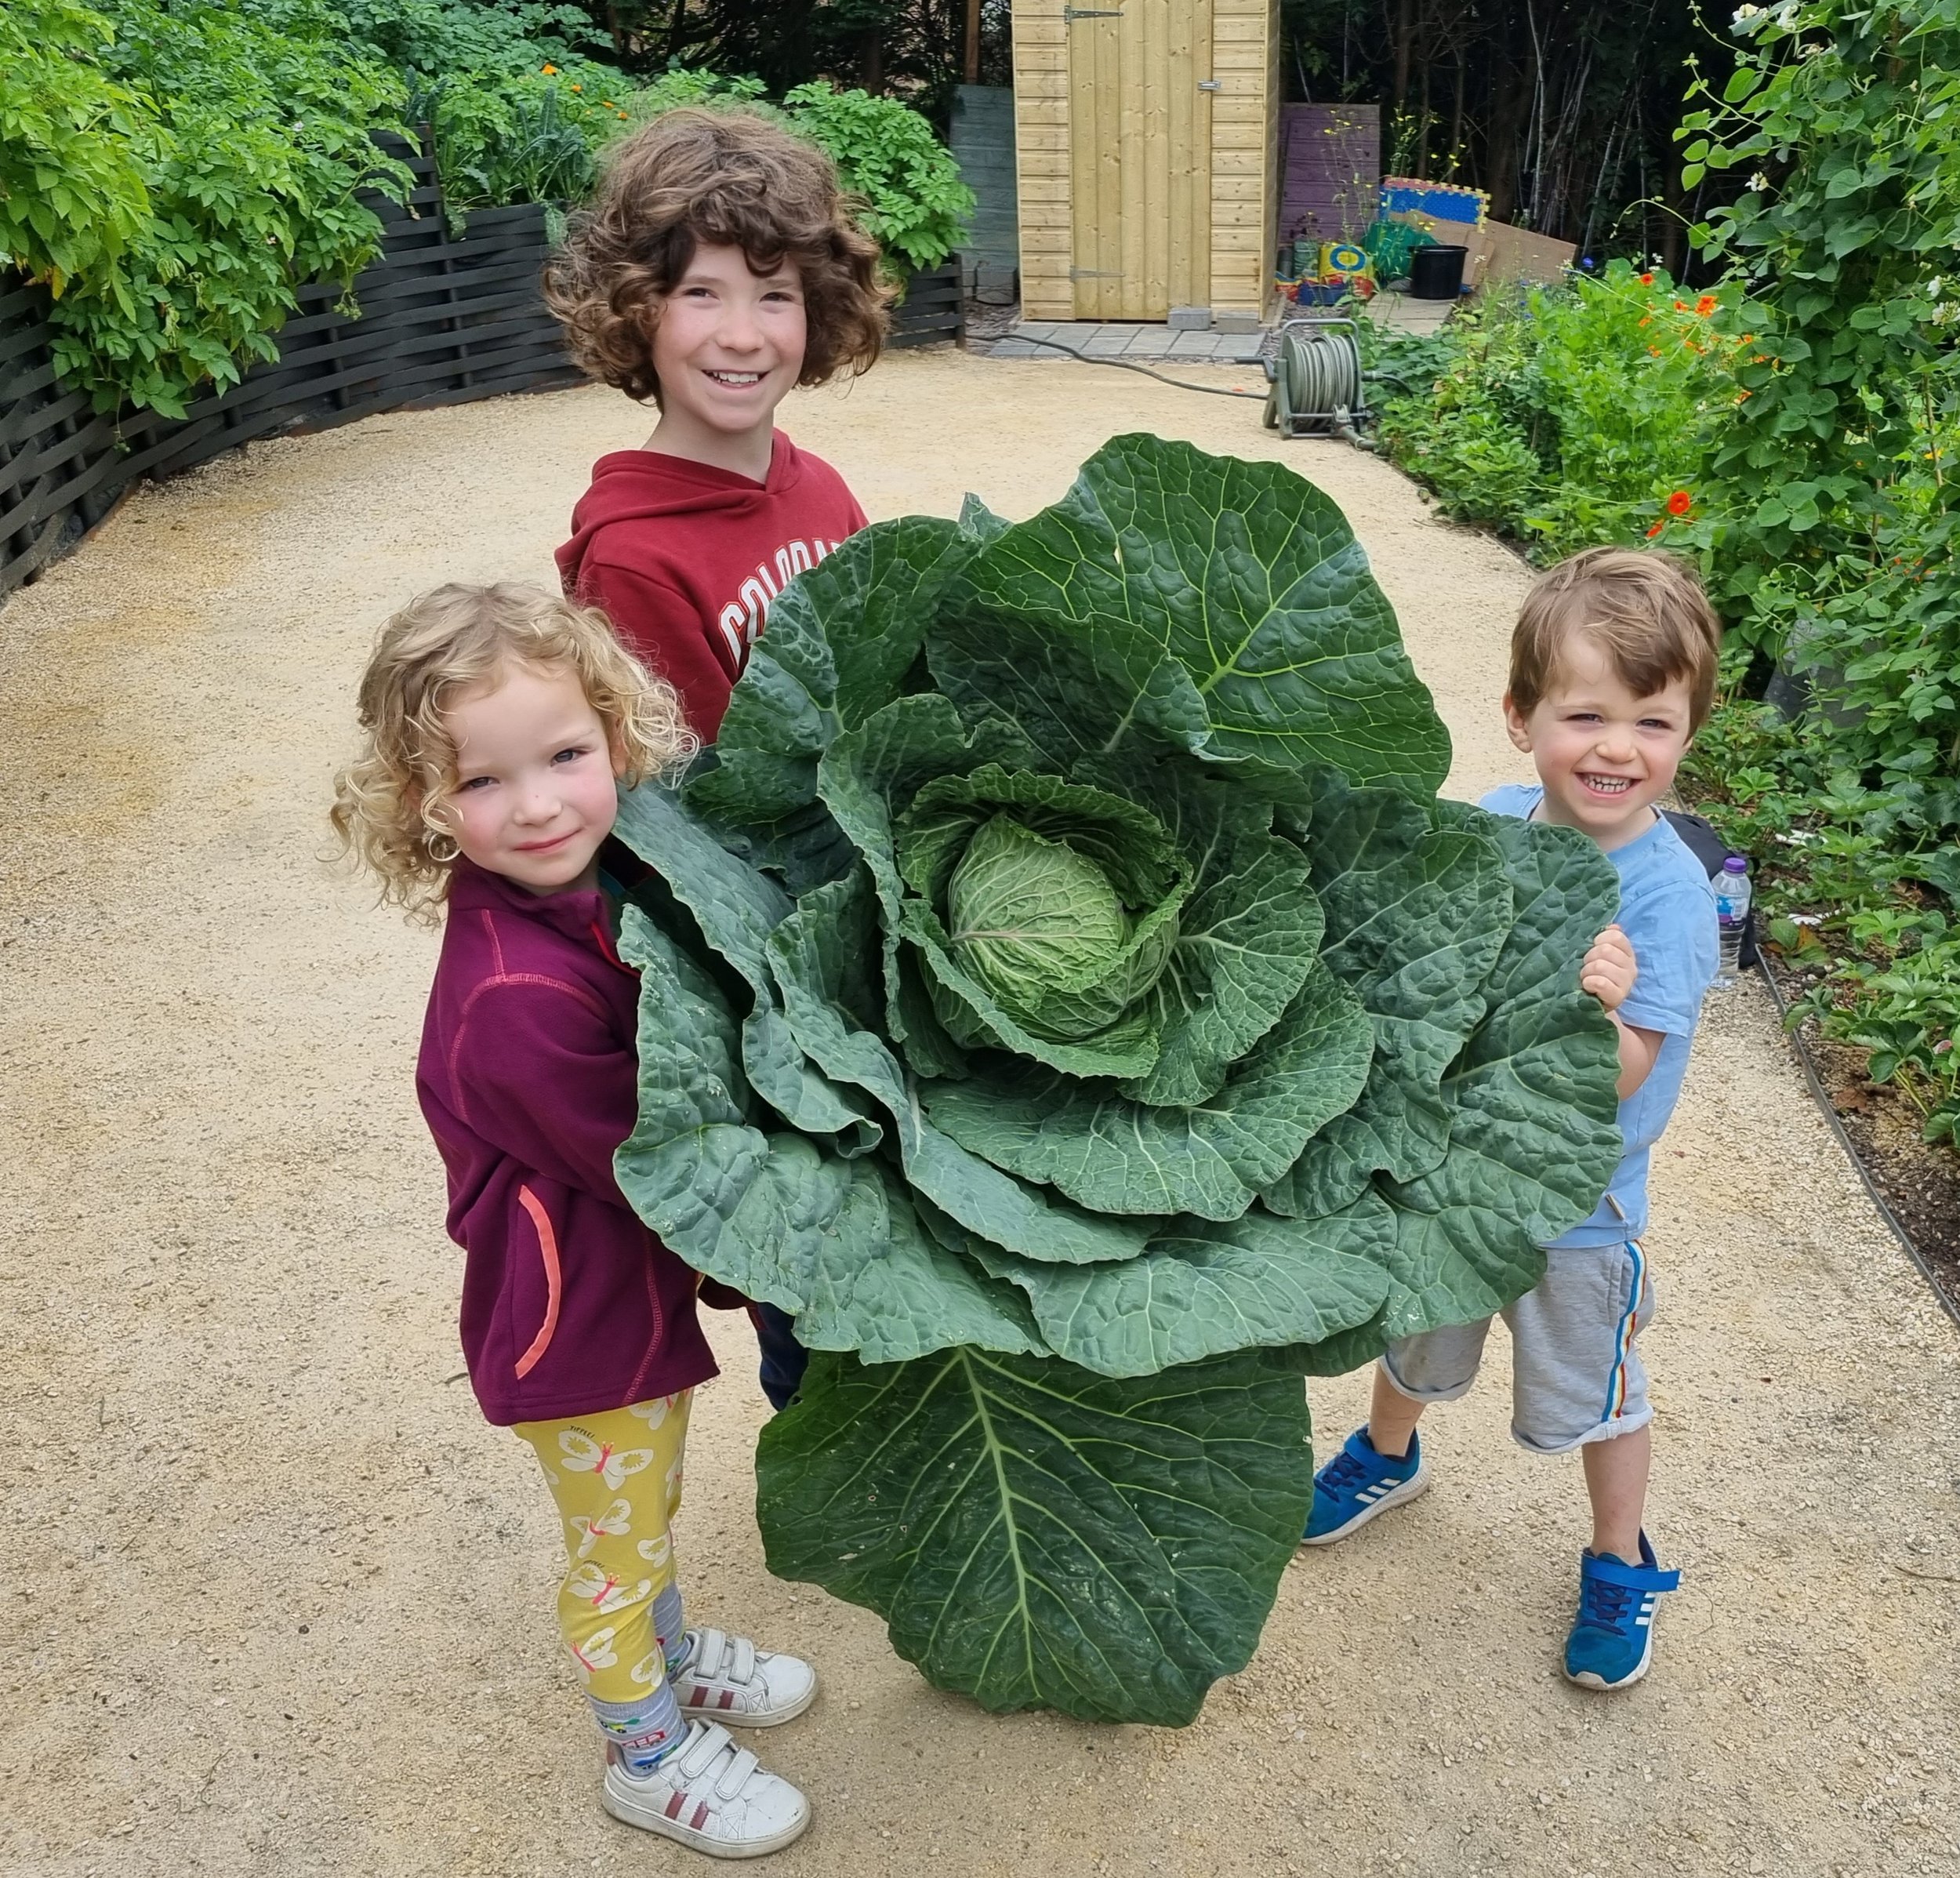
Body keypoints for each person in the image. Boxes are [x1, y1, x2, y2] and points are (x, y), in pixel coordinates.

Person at [330, 583, 815, 1857]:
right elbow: (651, 1160)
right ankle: (645, 1755)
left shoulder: (596, 891)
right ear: (424, 806)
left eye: (566, 756)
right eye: (484, 783)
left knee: (640, 1516)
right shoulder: (511, 1000)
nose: (539, 804)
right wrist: (767, 1244)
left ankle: (668, 1653)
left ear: (619, 739)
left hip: (618, 1297)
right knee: (613, 1546)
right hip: (576, 1332)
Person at [1302, 547, 1721, 1693]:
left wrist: (1598, 1015)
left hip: (1578, 1208)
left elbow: (1630, 1070)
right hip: (1449, 1170)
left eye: (1656, 723)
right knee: (1417, 1326)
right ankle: (1388, 1455)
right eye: (1585, 714)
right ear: (1519, 716)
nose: (1619, 749)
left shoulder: (1669, 895)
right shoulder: (1487, 823)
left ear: (1687, 737)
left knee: (1598, 1389)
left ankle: (1620, 1556)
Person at [544, 106, 888, 1411]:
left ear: (824, 313)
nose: (742, 333)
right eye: (699, 293)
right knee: (814, 1246)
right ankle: (832, 1427)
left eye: (776, 295)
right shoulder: (633, 554)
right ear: (637, 314)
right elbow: (685, 827)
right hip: (767, 959)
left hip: (864, 919)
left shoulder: (815, 486)